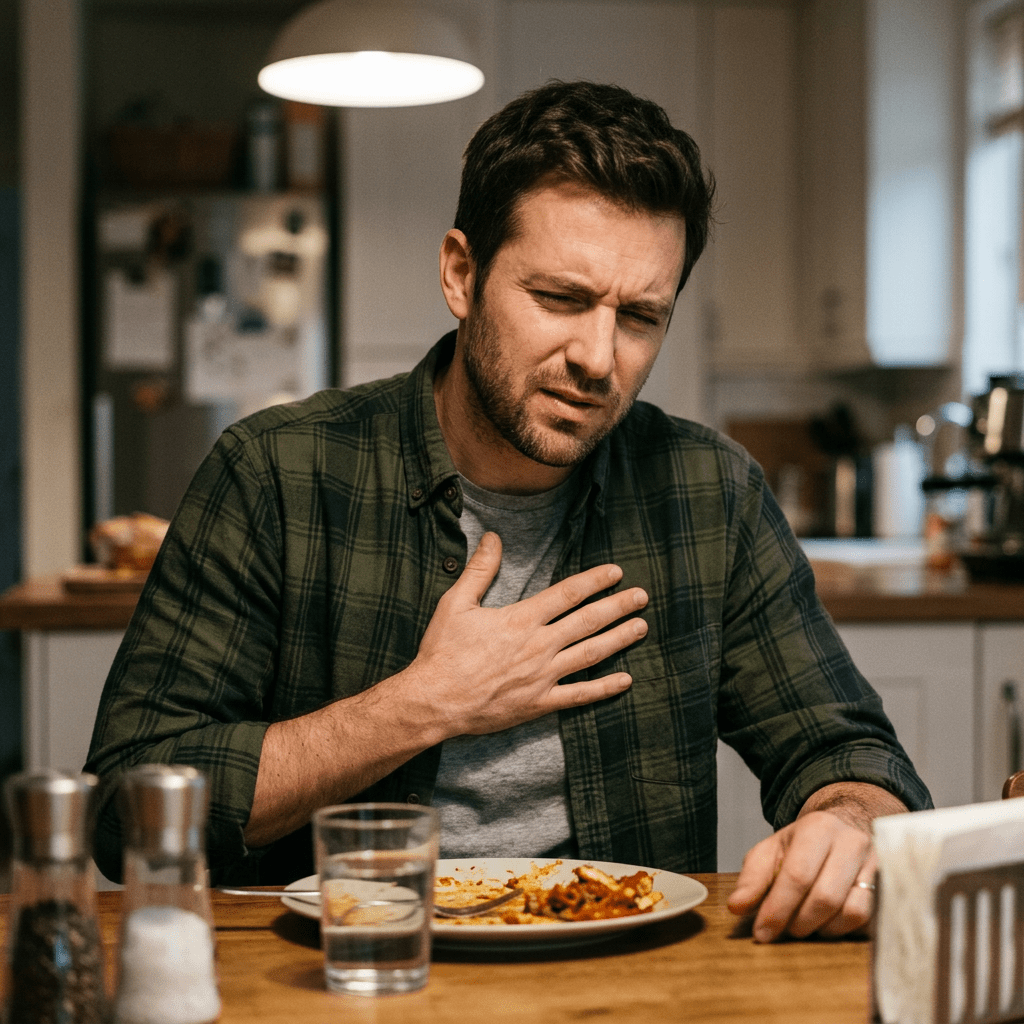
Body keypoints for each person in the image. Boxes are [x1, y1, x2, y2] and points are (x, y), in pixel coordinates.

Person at [86, 80, 931, 943]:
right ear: (462, 274)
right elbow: (127, 809)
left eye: (640, 316)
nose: (598, 359)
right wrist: (424, 702)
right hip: (352, 974)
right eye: (560, 299)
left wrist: (850, 822)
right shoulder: (276, 472)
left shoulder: (709, 493)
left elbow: (848, 753)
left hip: (632, 980)